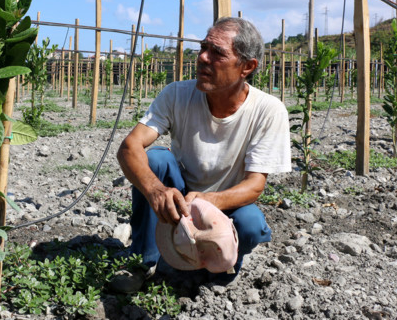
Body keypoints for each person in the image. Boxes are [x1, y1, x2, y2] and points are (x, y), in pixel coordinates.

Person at [115, 16, 291, 288]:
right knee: (155, 160)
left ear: (247, 66)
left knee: (251, 224)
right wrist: (155, 190)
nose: (203, 58)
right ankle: (145, 261)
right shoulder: (177, 94)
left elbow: (255, 185)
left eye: (217, 52)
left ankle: (218, 268)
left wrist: (207, 202)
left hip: (224, 206)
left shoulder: (268, 110)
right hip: (179, 196)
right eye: (203, 47)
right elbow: (130, 147)